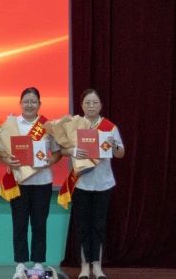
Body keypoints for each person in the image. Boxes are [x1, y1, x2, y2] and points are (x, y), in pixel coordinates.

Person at [0, 87, 62, 279]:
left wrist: (49, 161)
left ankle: (37, 263)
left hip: (42, 182)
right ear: (20, 103)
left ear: (39, 104)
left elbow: (57, 153)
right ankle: (20, 264)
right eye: (26, 101)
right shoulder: (11, 124)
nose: (29, 105)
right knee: (19, 223)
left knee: (39, 223)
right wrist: (7, 160)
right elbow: (1, 151)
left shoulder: (47, 125)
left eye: (33, 101)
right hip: (19, 182)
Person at [64, 89, 123, 279]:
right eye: (87, 103)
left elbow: (120, 153)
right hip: (81, 183)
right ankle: (84, 266)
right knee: (82, 226)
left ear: (101, 105)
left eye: (95, 102)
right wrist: (73, 150)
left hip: (103, 184)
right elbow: (62, 149)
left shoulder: (109, 127)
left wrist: (114, 146)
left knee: (98, 226)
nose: (91, 106)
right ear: (81, 105)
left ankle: (97, 266)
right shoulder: (74, 125)